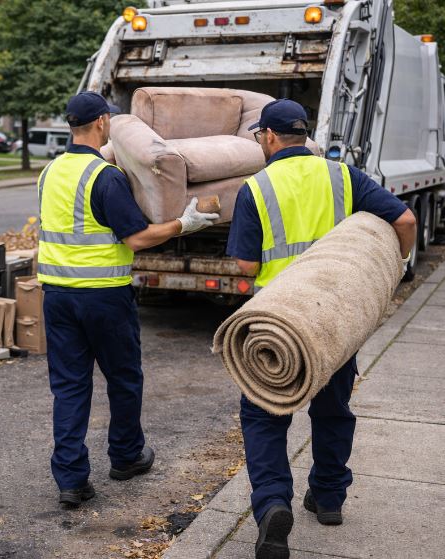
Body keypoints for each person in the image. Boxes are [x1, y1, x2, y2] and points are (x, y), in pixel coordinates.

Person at [227, 99, 417, 559]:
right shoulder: (342, 176)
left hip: (277, 325)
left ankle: (273, 503)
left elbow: (247, 264)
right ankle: (328, 498)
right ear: (303, 136)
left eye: (259, 137)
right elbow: (405, 220)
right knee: (332, 411)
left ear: (270, 137)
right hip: (334, 318)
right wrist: (397, 266)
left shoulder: (256, 187)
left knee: (263, 417)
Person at [36, 91, 220, 508]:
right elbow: (136, 237)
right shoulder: (105, 177)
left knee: (69, 388)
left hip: (57, 296)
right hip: (103, 297)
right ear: (102, 123)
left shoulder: (49, 172)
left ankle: (71, 481)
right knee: (123, 378)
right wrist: (182, 223)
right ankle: (125, 456)